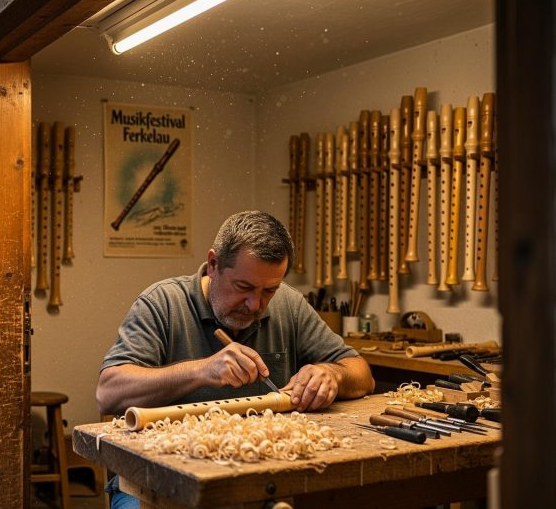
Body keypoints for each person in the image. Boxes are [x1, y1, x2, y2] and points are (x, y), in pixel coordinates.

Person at [96, 211, 374, 508]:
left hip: (256, 478)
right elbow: (108, 393)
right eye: (243, 288)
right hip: (156, 477)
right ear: (214, 264)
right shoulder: (162, 304)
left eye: (269, 290)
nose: (255, 304)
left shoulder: (289, 305)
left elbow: (361, 374)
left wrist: (332, 374)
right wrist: (201, 371)